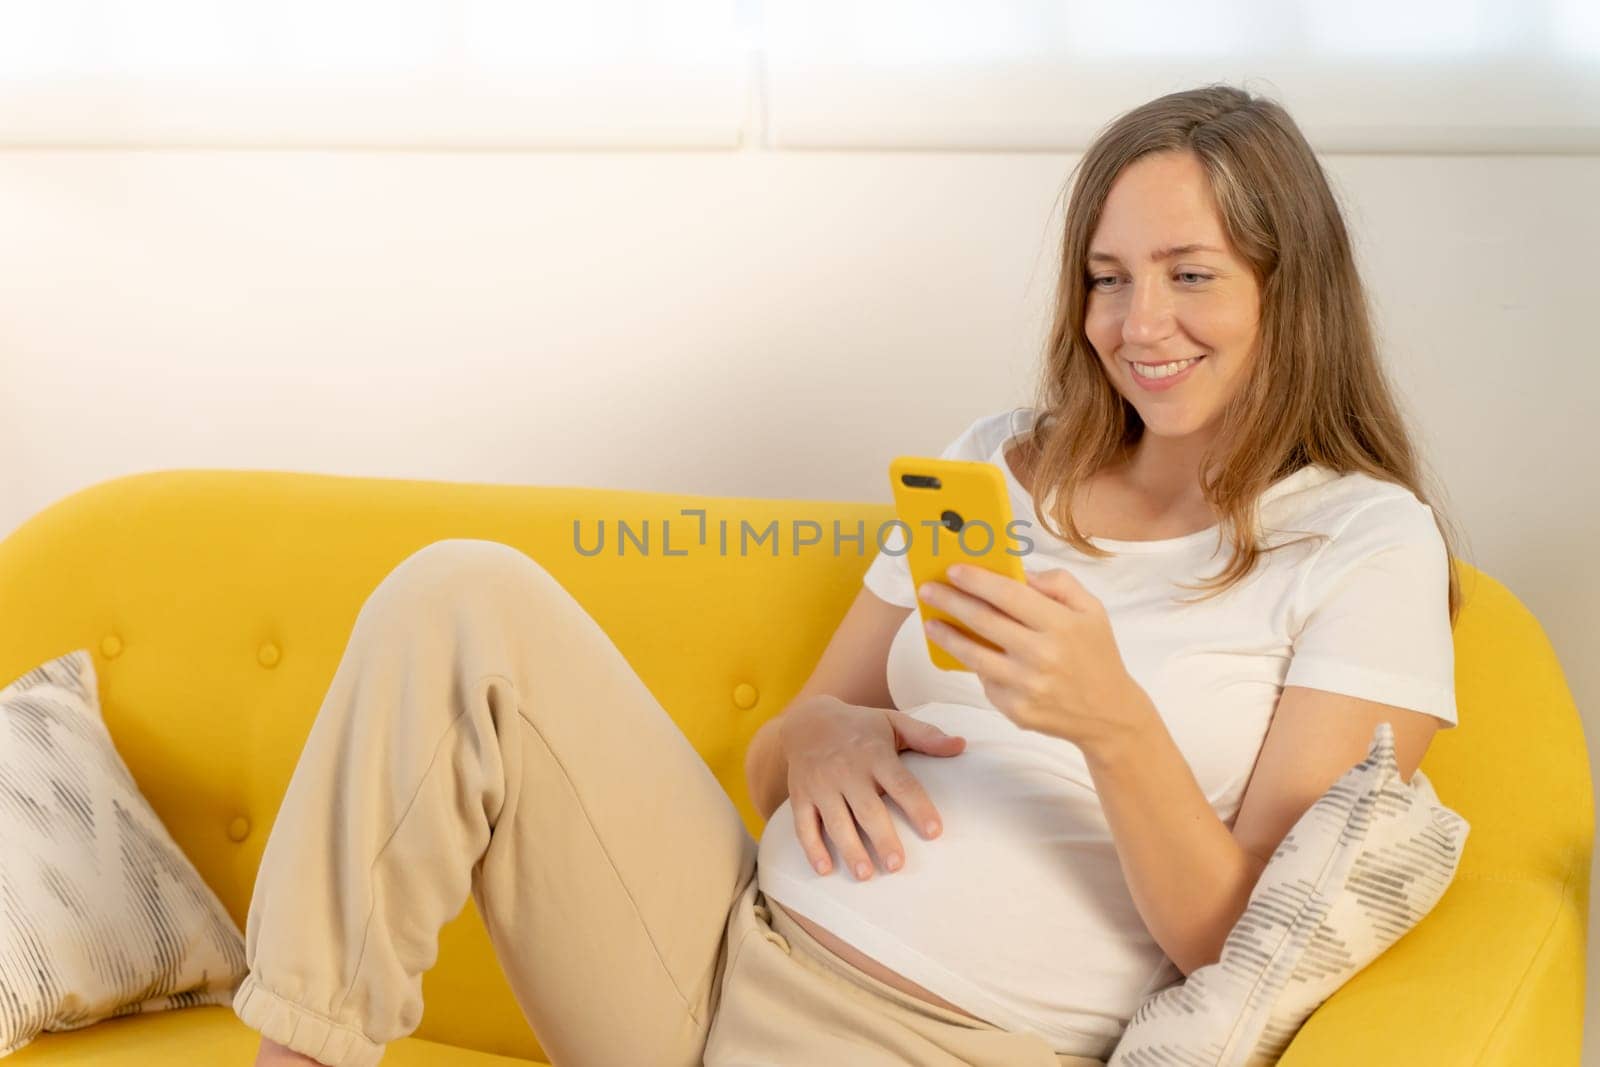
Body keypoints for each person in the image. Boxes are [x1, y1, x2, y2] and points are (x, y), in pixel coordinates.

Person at [236, 82, 1463, 1067]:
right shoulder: (999, 461)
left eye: (1189, 273)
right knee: (461, 595)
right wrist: (821, 733)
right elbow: (779, 757)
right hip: (715, 953)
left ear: (1285, 286)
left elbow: (1240, 939)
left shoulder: (1364, 544)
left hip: (952, 1040)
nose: (1139, 323)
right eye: (1108, 275)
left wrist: (1112, 723)